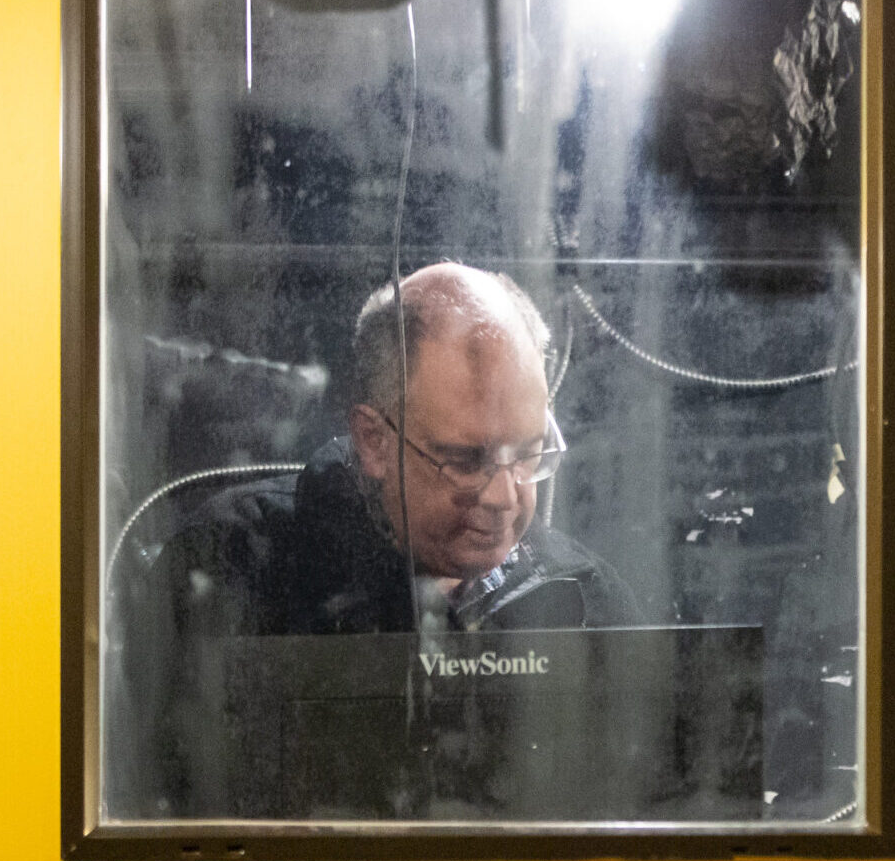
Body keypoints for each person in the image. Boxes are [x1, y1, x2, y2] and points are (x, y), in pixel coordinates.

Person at [135, 261, 638, 636]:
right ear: (373, 441)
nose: (505, 497)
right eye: (467, 460)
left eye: (528, 454)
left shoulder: (585, 596)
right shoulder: (235, 567)